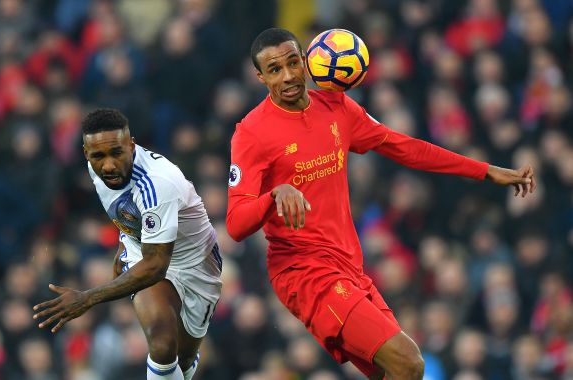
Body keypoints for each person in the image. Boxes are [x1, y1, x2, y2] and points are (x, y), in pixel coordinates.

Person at [226, 28, 536, 379]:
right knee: (409, 363)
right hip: (303, 272)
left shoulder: (337, 107)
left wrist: (484, 171)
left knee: (394, 373)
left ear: (306, 61)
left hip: (349, 267)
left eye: (292, 63)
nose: (287, 76)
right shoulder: (251, 133)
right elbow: (236, 224)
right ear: (260, 77)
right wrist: (274, 196)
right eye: (274, 69)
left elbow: (406, 147)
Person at [33, 109, 222, 380]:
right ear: (87, 153)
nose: (108, 165)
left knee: (183, 358)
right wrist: (125, 245)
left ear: (131, 145)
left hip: (196, 264)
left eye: (117, 153)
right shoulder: (95, 169)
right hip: (144, 251)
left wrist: (88, 298)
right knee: (162, 342)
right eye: (98, 156)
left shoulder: (158, 183)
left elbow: (157, 265)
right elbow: (126, 210)